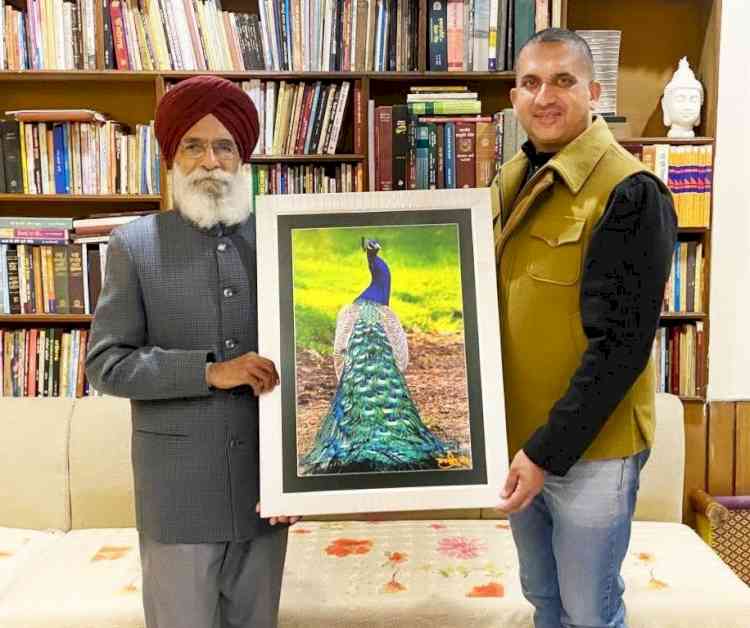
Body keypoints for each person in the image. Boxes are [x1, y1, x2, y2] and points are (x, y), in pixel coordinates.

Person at [85, 75, 297, 628]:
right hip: (178, 496)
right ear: (172, 157)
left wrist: (305, 475)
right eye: (193, 146)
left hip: (264, 494)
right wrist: (209, 372)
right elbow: (106, 365)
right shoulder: (133, 246)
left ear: (243, 157)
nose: (210, 161)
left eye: (224, 145)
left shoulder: (281, 239)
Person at [492, 29, 678, 628]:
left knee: (590, 614)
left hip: (589, 453)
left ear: (594, 92)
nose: (545, 96)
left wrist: (547, 454)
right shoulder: (508, 182)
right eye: (530, 82)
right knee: (544, 600)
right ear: (514, 97)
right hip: (521, 447)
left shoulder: (630, 191)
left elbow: (621, 350)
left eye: (563, 81)